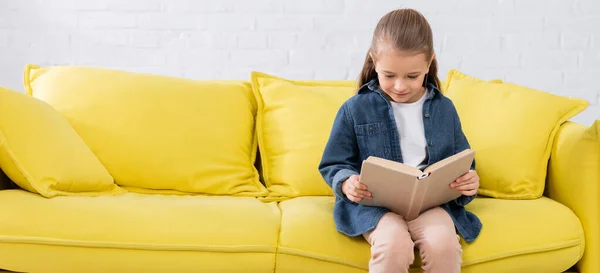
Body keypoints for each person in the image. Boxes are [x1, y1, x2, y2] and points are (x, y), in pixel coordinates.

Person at [318, 8, 482, 273]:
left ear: (429, 64)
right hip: (376, 207)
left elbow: (463, 161)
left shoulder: (445, 109)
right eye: (389, 75)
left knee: (444, 245)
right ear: (374, 62)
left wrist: (469, 180)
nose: (400, 86)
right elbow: (333, 163)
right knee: (393, 244)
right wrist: (347, 182)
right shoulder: (355, 108)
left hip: (430, 204)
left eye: (412, 76)